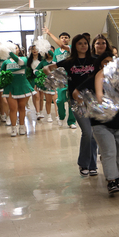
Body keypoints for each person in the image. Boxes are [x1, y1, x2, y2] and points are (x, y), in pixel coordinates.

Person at [47, 33, 98, 175]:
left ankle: (92, 165)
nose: (83, 46)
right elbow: (49, 68)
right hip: (77, 101)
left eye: (85, 43)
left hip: (93, 100)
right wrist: (49, 75)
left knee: (93, 133)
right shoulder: (69, 61)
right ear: (74, 46)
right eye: (80, 43)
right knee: (87, 132)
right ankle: (83, 163)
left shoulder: (94, 61)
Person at [92, 52, 119, 196]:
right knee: (109, 151)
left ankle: (116, 176)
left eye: (111, 61)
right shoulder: (97, 76)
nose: (108, 64)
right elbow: (96, 96)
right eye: (105, 61)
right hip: (100, 122)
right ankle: (111, 180)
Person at [45, 28, 77, 128]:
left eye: (66, 37)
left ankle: (71, 121)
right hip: (60, 78)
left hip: (71, 77)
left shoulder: (71, 48)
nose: (64, 39)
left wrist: (49, 33)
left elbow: (62, 45)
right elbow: (54, 65)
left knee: (72, 100)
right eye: (62, 37)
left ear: (69, 39)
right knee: (60, 100)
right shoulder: (56, 52)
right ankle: (61, 116)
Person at [1, 44, 35, 137]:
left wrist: (10, 52)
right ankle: (13, 128)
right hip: (10, 87)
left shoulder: (23, 59)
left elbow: (20, 63)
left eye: (15, 48)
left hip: (22, 85)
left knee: (21, 107)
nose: (13, 49)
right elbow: (1, 73)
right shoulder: (6, 62)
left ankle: (22, 126)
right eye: (11, 48)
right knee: (12, 108)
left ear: (18, 50)